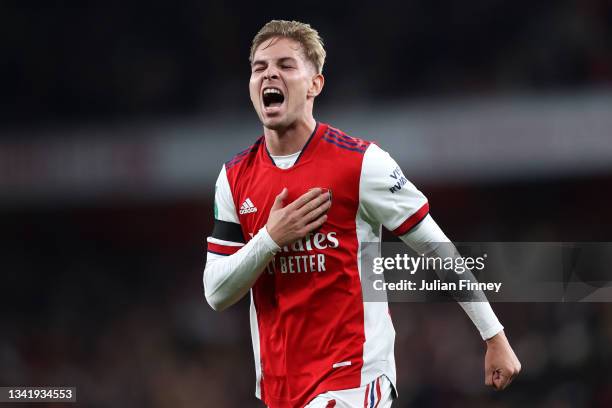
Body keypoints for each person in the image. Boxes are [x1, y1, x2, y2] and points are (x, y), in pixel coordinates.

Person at [203, 20, 521, 408]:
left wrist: (494, 336)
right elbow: (216, 292)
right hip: (280, 388)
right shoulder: (234, 178)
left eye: (286, 65)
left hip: (354, 378)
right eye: (259, 67)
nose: (270, 73)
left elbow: (436, 248)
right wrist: (270, 239)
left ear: (315, 84)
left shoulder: (361, 163)